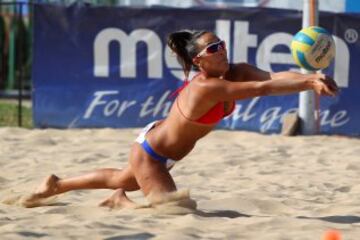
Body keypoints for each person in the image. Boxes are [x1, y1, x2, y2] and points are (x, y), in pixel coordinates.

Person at [27, 30, 338, 208]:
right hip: (152, 154)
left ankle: (57, 184)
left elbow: (272, 76)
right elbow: (262, 88)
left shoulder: (236, 70)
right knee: (174, 210)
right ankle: (120, 203)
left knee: (120, 178)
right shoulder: (207, 86)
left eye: (223, 44)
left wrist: (310, 76)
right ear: (198, 60)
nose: (222, 51)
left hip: (165, 149)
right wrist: (309, 82)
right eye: (214, 48)